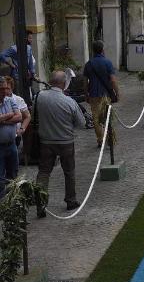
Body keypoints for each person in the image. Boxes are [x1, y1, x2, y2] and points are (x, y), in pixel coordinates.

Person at [35, 71, 86, 214]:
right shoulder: (69, 101)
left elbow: (35, 114)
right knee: (69, 172)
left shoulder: (39, 97)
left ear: (50, 82)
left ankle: (41, 204)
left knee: (44, 172)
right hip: (66, 142)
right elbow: (81, 123)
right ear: (64, 84)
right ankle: (71, 200)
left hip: (46, 141)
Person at [83, 40, 119, 148]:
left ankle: (100, 139)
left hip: (93, 94)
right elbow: (112, 80)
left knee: (96, 119)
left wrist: (86, 94)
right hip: (106, 95)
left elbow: (85, 82)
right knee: (107, 117)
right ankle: (110, 138)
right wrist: (117, 93)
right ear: (102, 50)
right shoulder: (107, 63)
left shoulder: (88, 64)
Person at [0, 76, 22, 197]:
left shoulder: (10, 100)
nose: (4, 92)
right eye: (1, 89)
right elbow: (14, 115)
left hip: (12, 144)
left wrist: (3, 120)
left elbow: (19, 117)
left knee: (13, 176)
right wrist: (9, 114)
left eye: (5, 88)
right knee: (0, 179)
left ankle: (12, 202)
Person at [5, 75, 30, 148]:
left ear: (12, 88)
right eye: (3, 88)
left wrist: (22, 129)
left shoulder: (18, 100)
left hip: (15, 136)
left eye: (7, 88)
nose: (5, 91)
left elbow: (27, 116)